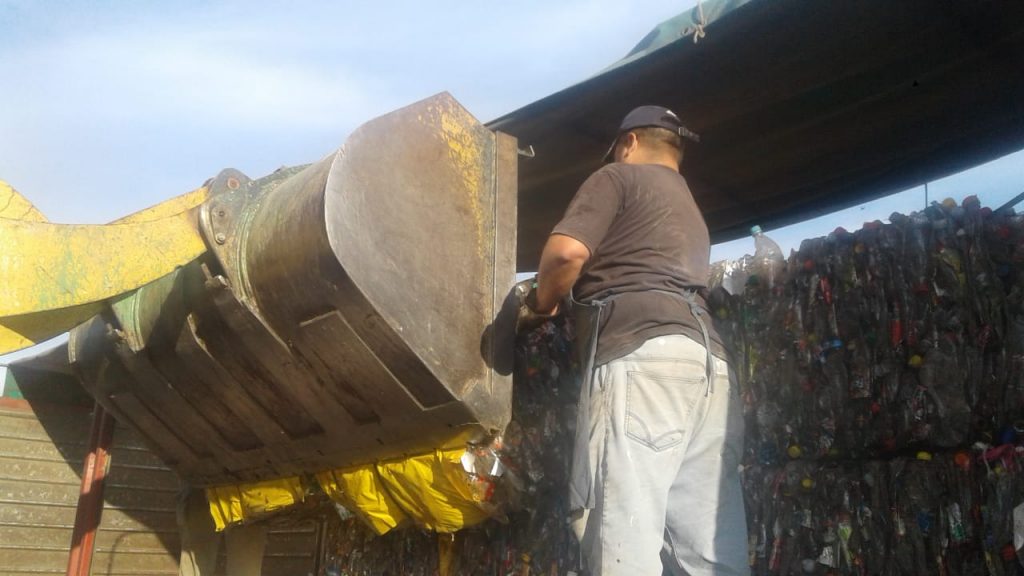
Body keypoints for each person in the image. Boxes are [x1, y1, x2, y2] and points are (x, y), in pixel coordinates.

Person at [518, 106, 748, 575]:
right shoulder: (689, 209)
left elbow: (566, 253)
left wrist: (541, 305)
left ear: (628, 143)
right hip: (708, 368)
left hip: (643, 360)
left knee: (624, 535)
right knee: (709, 551)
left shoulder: (617, 178)